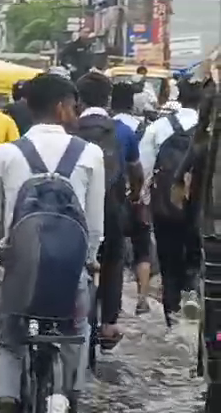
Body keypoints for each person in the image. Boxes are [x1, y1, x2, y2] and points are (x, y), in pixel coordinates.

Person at [0, 73, 105, 413]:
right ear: (64, 106)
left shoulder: (6, 154)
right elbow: (94, 225)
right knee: (77, 331)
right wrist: (91, 259)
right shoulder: (90, 154)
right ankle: (75, 404)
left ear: (28, 108)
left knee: (10, 342)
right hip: (70, 271)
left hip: (20, 270)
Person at [74, 72, 143, 348]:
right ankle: (109, 324)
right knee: (113, 261)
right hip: (112, 209)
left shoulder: (71, 130)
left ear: (78, 100)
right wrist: (135, 196)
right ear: (109, 98)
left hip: (76, 212)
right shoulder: (123, 131)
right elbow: (136, 171)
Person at [139, 79, 203, 325]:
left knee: (169, 262)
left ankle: (171, 318)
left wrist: (145, 204)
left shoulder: (158, 127)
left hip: (166, 208)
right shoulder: (208, 132)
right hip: (200, 211)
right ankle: (191, 310)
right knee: (194, 261)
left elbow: (144, 171)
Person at [112, 82, 154, 315]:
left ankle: (112, 300)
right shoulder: (144, 127)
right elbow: (144, 166)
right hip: (138, 197)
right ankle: (142, 299)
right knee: (142, 249)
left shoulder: (110, 128)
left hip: (114, 198)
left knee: (113, 250)